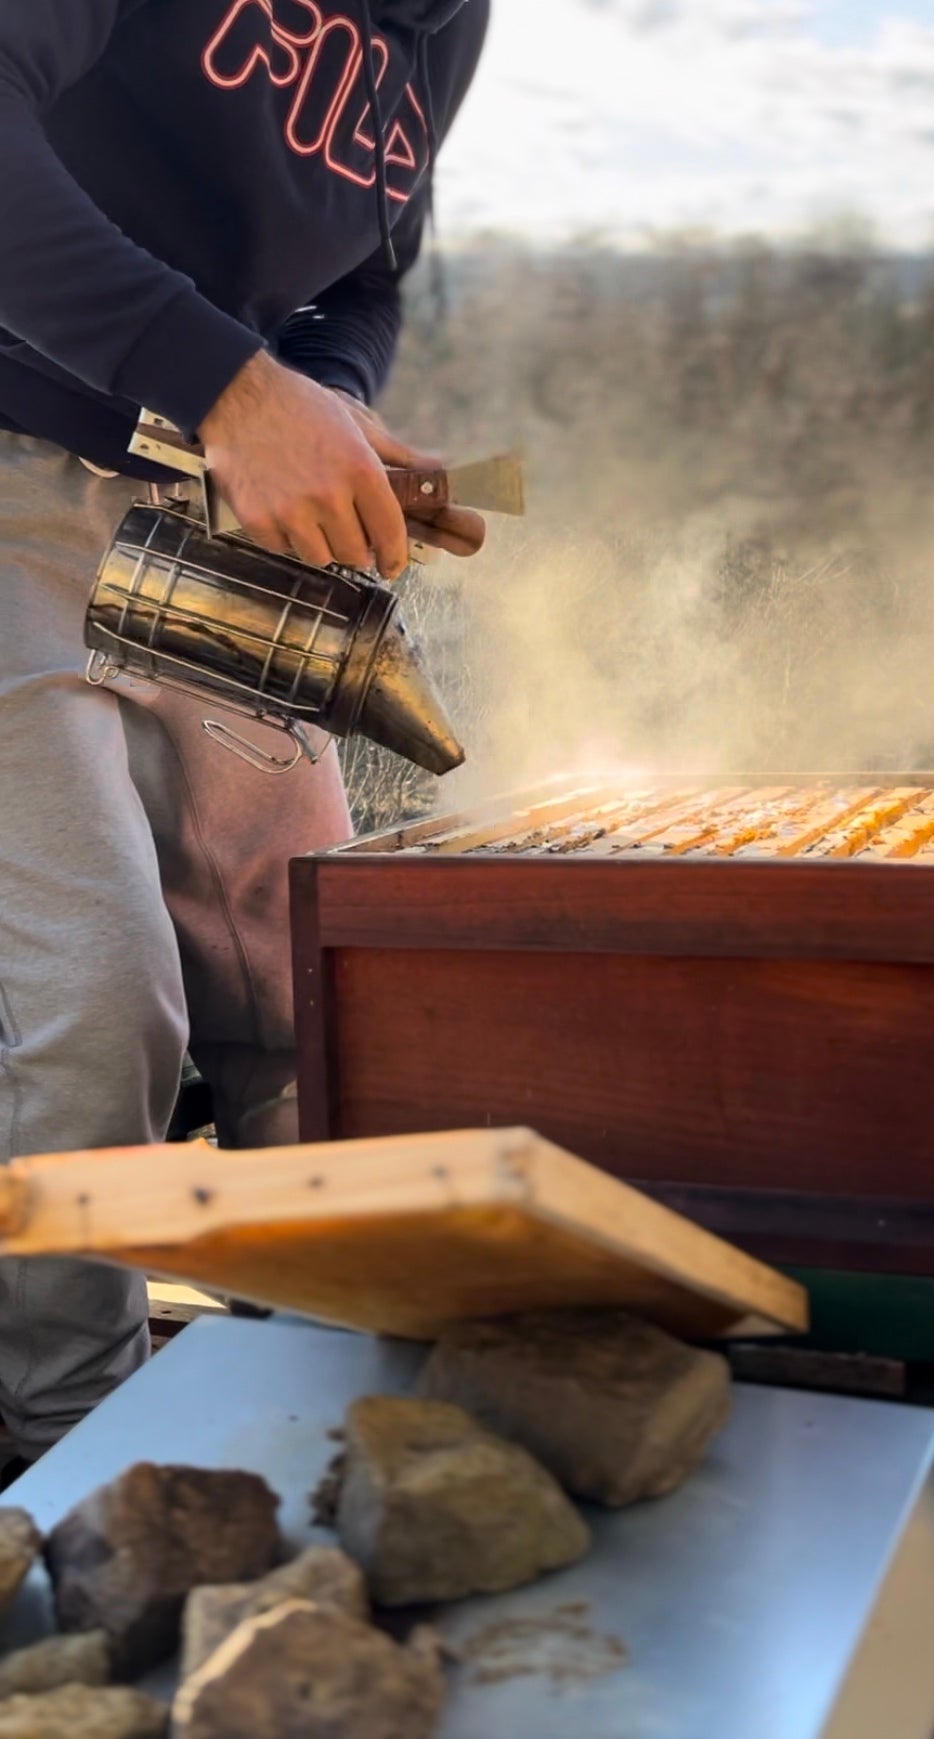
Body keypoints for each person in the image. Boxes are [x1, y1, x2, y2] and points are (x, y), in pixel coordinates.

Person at [0, 0, 489, 1470]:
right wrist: (222, 380)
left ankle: (308, 1423)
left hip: (206, 523)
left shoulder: (448, 22)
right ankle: (63, 1468)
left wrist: (321, 408)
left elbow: (370, 279)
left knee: (305, 1000)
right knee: (94, 1006)